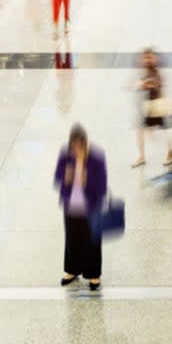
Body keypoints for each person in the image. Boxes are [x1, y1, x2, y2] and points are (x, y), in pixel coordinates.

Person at [54, 124, 107, 292]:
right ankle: (72, 270)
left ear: (85, 143)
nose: (76, 150)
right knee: (72, 239)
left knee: (92, 241)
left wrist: (87, 180)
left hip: (91, 207)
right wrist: (66, 178)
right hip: (71, 205)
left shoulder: (97, 156)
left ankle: (93, 274)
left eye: (79, 146)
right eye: (73, 146)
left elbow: (102, 186)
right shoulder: (65, 153)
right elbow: (57, 178)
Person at [133, 49, 172, 168]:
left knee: (162, 131)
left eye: (149, 57)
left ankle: (170, 152)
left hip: (157, 106)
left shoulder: (155, 71)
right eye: (145, 58)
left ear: (155, 58)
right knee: (141, 130)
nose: (146, 60)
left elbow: (157, 84)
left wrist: (145, 84)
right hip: (149, 105)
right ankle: (142, 156)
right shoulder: (146, 70)